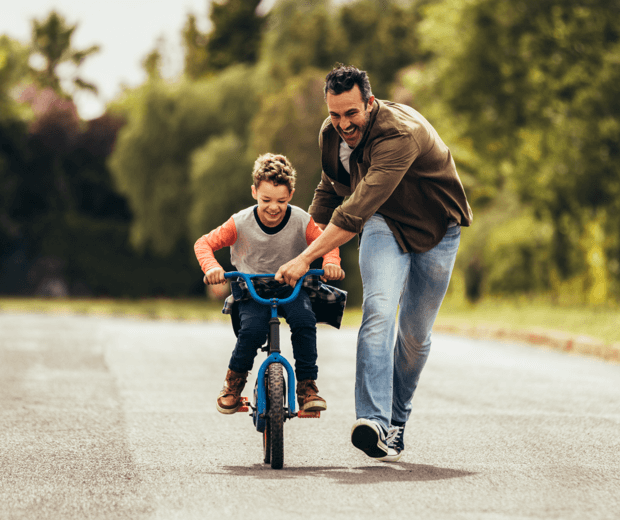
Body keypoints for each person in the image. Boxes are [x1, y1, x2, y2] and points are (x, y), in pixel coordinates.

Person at [275, 65, 473, 462]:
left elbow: (353, 213)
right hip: (385, 223)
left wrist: (306, 258)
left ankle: (397, 421)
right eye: (334, 114)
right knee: (379, 311)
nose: (343, 123)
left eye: (351, 113)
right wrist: (296, 243)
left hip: (437, 227)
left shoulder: (398, 134)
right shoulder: (330, 134)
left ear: (369, 102)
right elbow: (330, 188)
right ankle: (373, 422)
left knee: (415, 336)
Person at [194, 153, 346, 416]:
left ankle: (307, 386)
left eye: (281, 200)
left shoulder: (301, 220)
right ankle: (233, 384)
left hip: (292, 286)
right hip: (252, 289)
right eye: (266, 200)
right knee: (251, 330)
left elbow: (326, 242)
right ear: (254, 192)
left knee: (304, 321)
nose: (273, 207)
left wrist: (331, 262)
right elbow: (204, 244)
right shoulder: (240, 223)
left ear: (292, 194)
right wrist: (213, 268)